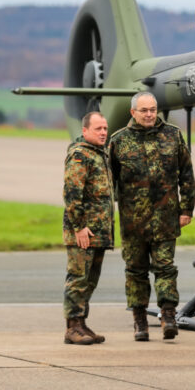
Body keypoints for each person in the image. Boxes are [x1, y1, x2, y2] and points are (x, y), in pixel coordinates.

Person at [109, 92, 195, 341]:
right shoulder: (119, 141)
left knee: (165, 268)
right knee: (135, 271)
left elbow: (186, 175)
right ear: (133, 112)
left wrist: (186, 209)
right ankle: (139, 321)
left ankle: (168, 316)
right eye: (144, 110)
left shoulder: (172, 135)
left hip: (166, 218)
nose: (149, 114)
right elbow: (109, 182)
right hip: (133, 222)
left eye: (153, 109)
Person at [62, 111, 114, 345]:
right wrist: (79, 227)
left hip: (98, 232)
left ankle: (82, 324)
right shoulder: (80, 155)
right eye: (98, 129)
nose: (103, 132)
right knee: (78, 278)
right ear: (85, 131)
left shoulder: (100, 154)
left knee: (90, 280)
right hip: (83, 232)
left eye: (105, 128)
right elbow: (72, 194)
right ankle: (72, 327)